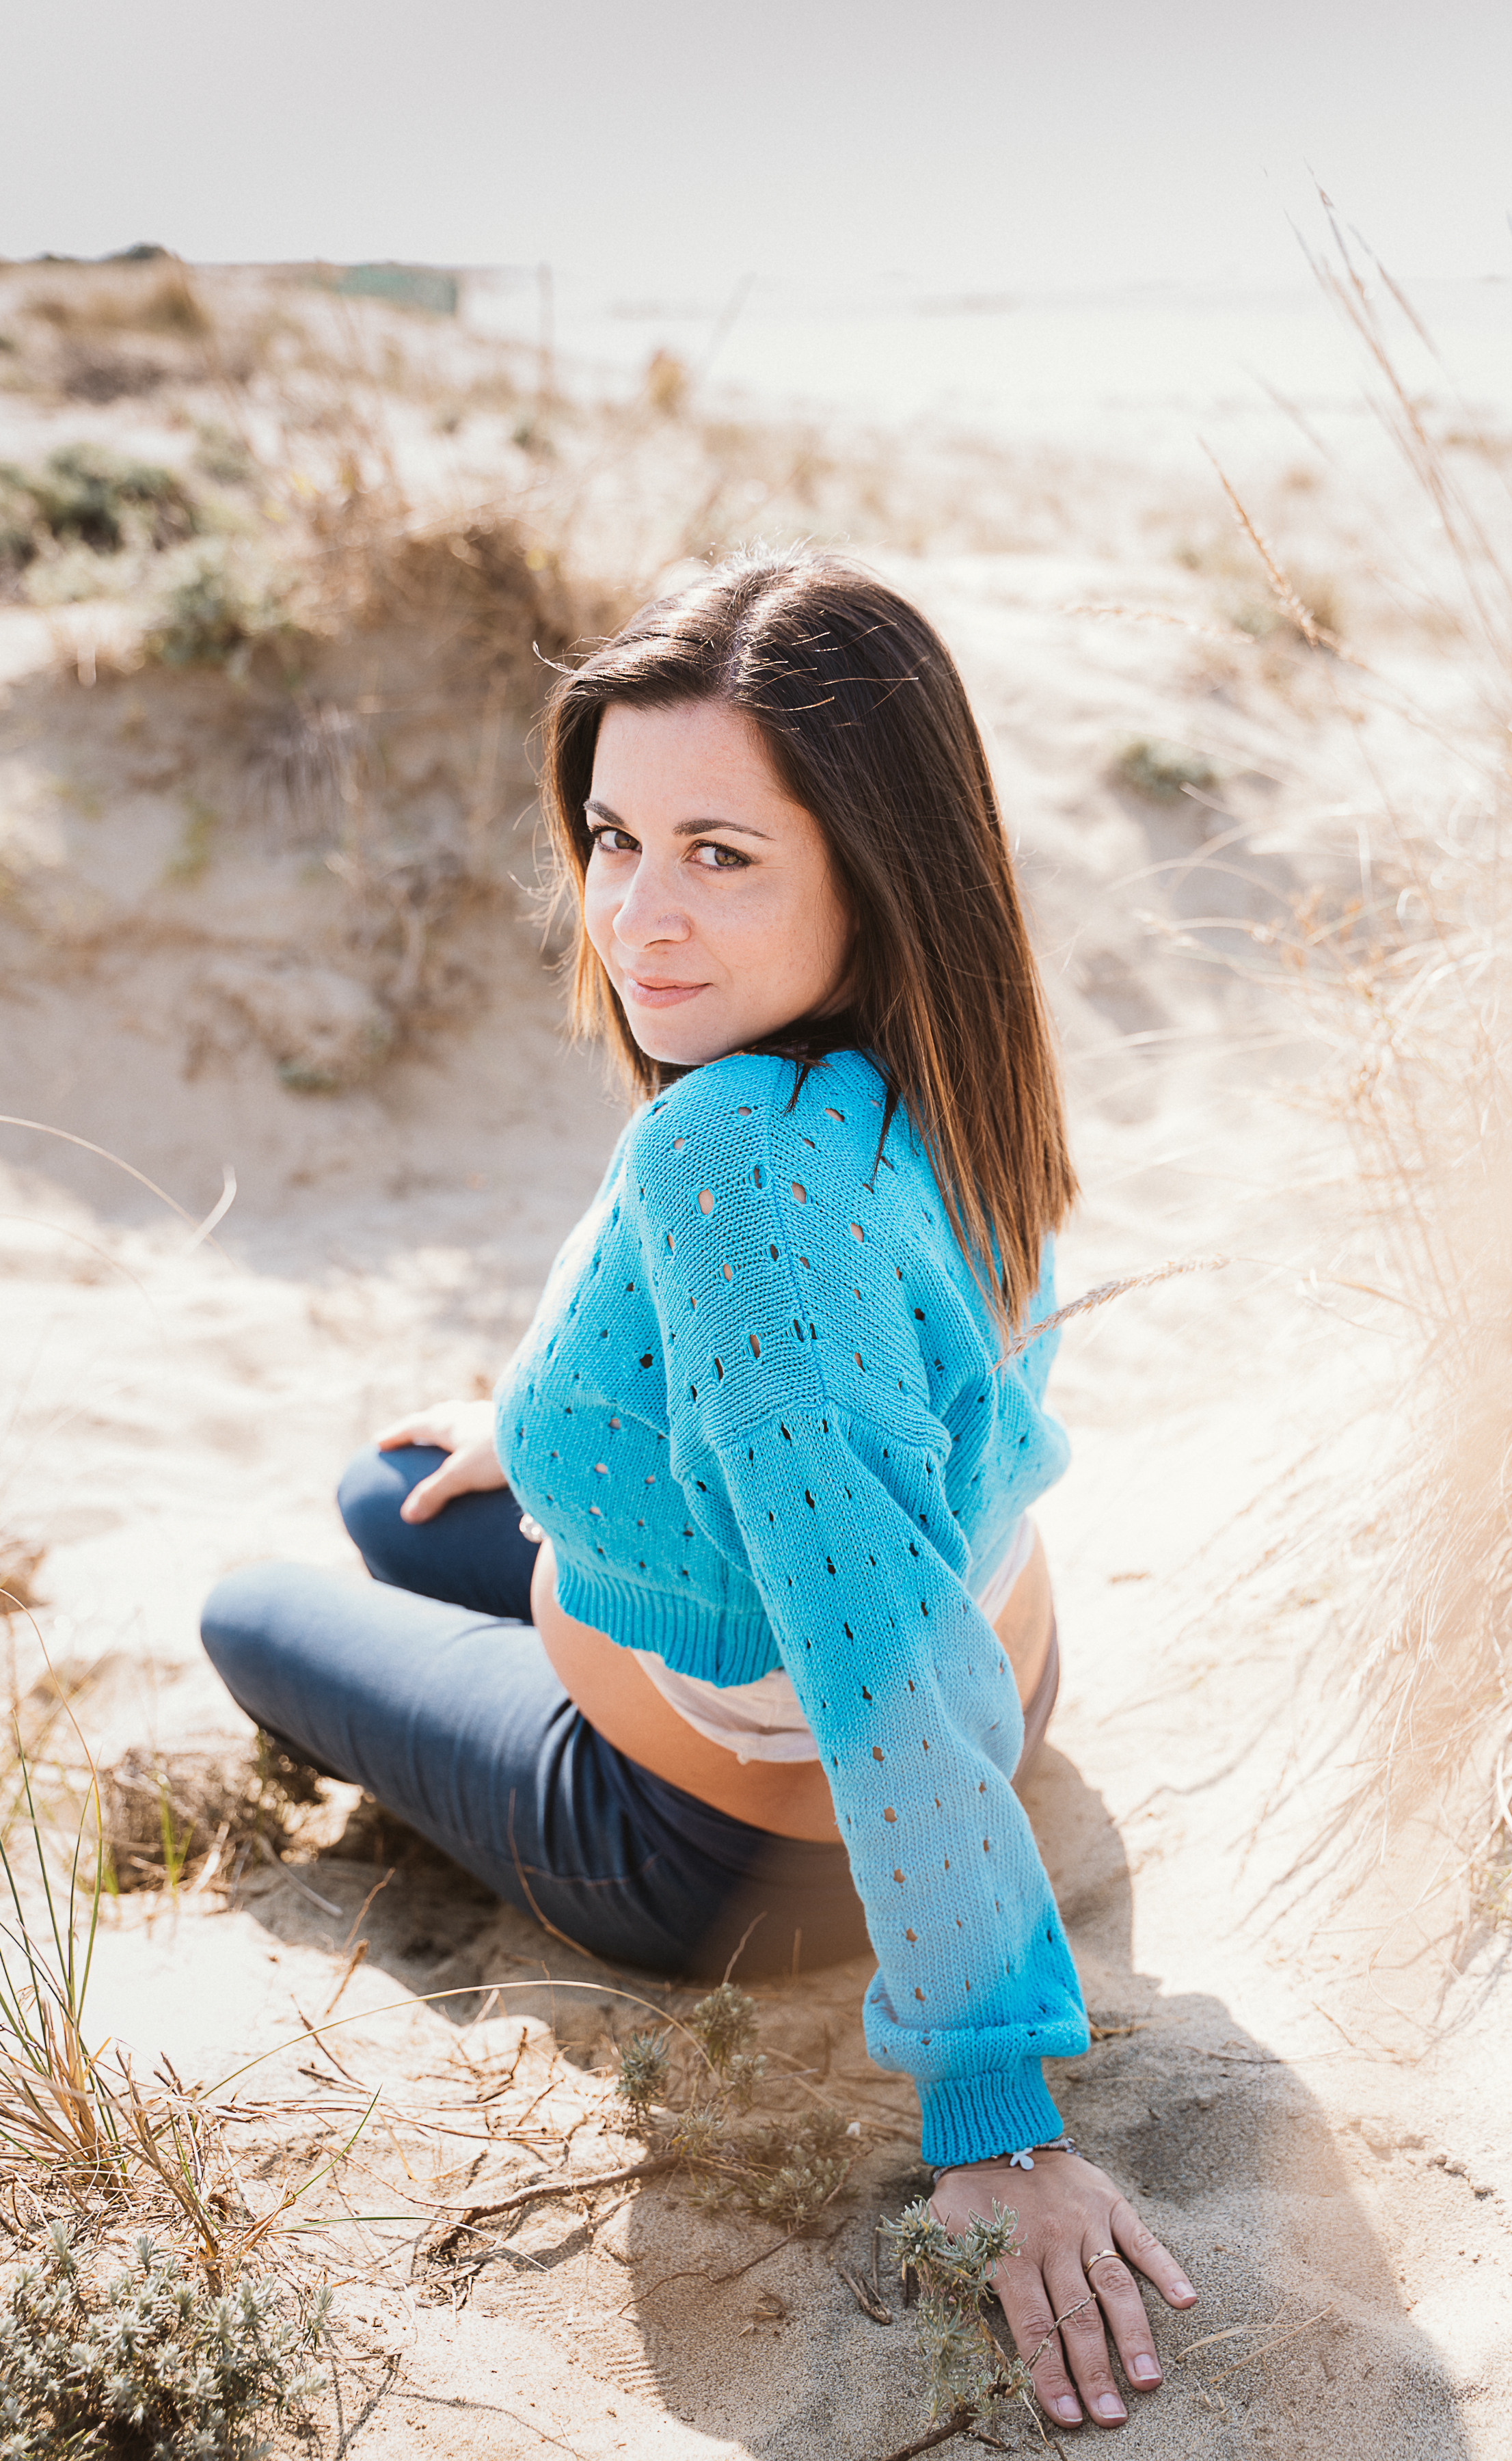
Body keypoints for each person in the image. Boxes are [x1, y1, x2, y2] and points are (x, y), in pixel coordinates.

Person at [201, 551, 1197, 2430]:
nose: (638, 917)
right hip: (1013, 1657)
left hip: (721, 1849)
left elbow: (881, 1655)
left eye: (721, 855)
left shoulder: (738, 1175)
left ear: (869, 866)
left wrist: (998, 2116)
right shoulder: (933, 1045)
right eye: (614, 837)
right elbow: (855, 1426)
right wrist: (548, 1428)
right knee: (383, 1494)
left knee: (245, 1610)